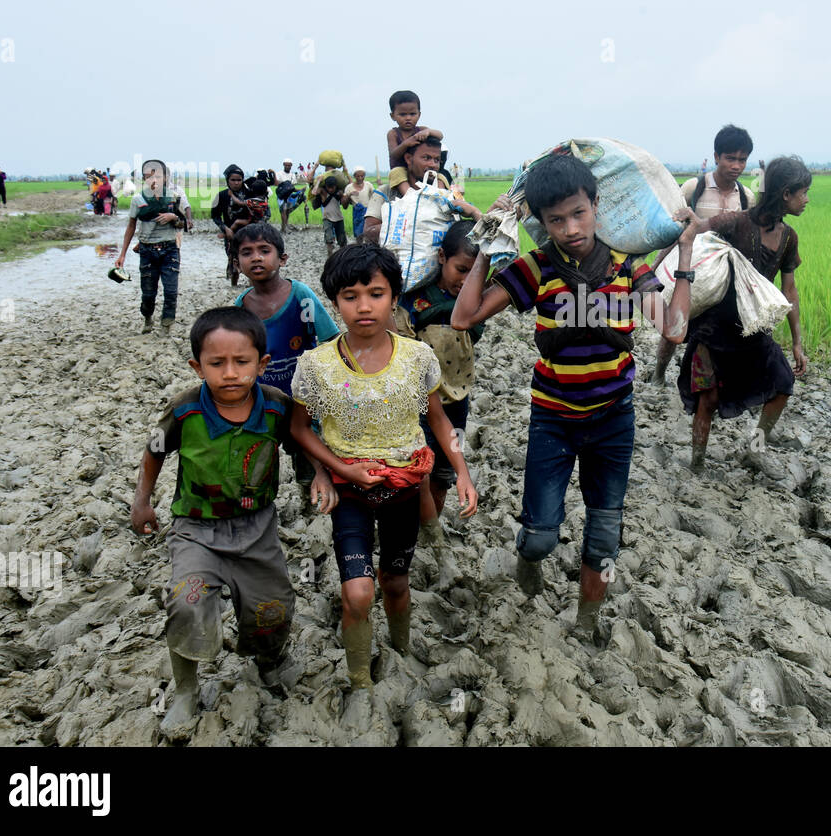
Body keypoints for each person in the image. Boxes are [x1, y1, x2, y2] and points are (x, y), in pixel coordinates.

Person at [451, 153, 699, 634]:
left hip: (613, 420)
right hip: (553, 419)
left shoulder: (626, 267)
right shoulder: (537, 268)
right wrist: (489, 241)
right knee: (541, 536)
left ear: (596, 205)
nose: (570, 228)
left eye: (578, 213)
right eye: (556, 220)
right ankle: (528, 558)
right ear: (542, 223)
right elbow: (464, 318)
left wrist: (685, 258)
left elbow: (674, 329)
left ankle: (586, 621)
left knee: (604, 535)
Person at [129, 307, 366, 737]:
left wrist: (321, 474)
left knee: (270, 609)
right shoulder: (185, 410)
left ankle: (269, 662)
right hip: (196, 530)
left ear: (263, 364)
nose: (230, 373)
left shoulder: (276, 408)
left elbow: (302, 440)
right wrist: (142, 500)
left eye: (242, 362)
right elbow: (155, 450)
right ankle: (185, 689)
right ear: (196, 365)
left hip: (257, 528)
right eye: (216, 363)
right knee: (187, 603)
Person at [292, 244, 478, 689]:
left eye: (375, 293)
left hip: (405, 486)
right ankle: (360, 680)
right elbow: (300, 429)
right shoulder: (316, 366)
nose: (364, 306)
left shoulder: (416, 357)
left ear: (394, 296)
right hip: (350, 488)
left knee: (396, 581)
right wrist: (336, 469)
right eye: (350, 296)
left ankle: (401, 649)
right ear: (334, 301)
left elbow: (437, 418)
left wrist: (463, 470)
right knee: (358, 591)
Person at [679, 155, 811, 471]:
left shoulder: (789, 238)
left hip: (752, 330)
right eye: (803, 193)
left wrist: (796, 342)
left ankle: (755, 448)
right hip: (714, 329)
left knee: (782, 384)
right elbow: (699, 231)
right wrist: (687, 224)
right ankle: (697, 463)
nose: (806, 200)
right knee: (707, 400)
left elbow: (789, 290)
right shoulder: (737, 222)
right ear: (785, 194)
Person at [395, 221, 487, 544]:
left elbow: (475, 330)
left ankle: (429, 528)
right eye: (460, 269)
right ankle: (422, 527)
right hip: (420, 401)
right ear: (440, 258)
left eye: (473, 274)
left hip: (457, 396)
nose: (465, 281)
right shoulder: (418, 300)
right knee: (419, 467)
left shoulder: (472, 302)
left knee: (444, 472)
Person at [233, 223, 341, 491]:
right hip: (262, 396)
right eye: (247, 253)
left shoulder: (300, 296)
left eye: (264, 250)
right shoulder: (241, 307)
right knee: (259, 451)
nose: (256, 257)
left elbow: (330, 339)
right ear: (237, 264)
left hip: (302, 396)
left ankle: (310, 491)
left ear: (282, 259)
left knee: (307, 450)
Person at [651, 124, 755, 384]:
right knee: (675, 327)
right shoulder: (693, 188)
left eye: (742, 160)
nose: (736, 165)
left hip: (724, 277)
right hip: (689, 271)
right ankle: (659, 373)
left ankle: (705, 386)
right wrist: (657, 264)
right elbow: (674, 230)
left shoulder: (746, 197)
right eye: (730, 158)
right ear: (717, 156)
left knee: (717, 333)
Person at [115, 159, 193, 334]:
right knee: (148, 293)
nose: (153, 180)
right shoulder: (138, 199)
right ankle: (148, 318)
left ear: (165, 177)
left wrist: (173, 217)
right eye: (148, 177)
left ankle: (166, 325)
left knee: (171, 291)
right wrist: (122, 255)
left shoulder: (174, 197)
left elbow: (185, 224)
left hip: (170, 249)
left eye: (157, 176)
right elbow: (131, 226)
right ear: (144, 179)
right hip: (147, 250)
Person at [365, 137, 480, 243]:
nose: (433, 165)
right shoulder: (385, 192)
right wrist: (411, 220)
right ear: (409, 159)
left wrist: (474, 213)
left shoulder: (446, 195)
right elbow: (368, 233)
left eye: (436, 160)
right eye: (426, 158)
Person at [386, 90, 444, 170]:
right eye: (402, 114)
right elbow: (393, 155)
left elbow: (440, 136)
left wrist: (428, 132)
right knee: (399, 176)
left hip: (418, 170)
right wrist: (406, 144)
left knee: (441, 178)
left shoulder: (422, 130)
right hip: (400, 170)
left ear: (419, 115)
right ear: (393, 116)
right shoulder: (393, 133)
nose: (408, 118)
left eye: (412, 114)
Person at [212, 164, 249, 285]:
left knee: (250, 258)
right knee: (233, 257)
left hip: (249, 232)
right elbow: (215, 216)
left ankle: (252, 284)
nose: (236, 183)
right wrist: (224, 228)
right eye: (233, 180)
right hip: (230, 233)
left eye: (239, 180)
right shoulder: (221, 196)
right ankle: (234, 285)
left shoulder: (249, 194)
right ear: (228, 181)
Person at [317, 171, 351, 256]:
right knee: (329, 239)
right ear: (326, 186)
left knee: (342, 240)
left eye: (333, 187)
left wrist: (344, 196)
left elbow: (345, 205)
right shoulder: (323, 191)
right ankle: (330, 256)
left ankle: (342, 256)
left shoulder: (339, 192)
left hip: (339, 218)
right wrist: (318, 181)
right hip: (327, 218)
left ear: (336, 186)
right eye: (329, 187)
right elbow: (314, 192)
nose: (331, 189)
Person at [344, 167, 374, 245]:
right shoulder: (349, 188)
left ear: (364, 176)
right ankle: (359, 247)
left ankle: (368, 248)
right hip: (357, 212)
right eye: (358, 176)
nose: (360, 178)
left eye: (362, 176)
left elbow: (374, 197)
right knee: (358, 233)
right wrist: (350, 194)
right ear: (354, 176)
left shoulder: (368, 185)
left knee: (368, 232)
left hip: (368, 211)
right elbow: (344, 202)